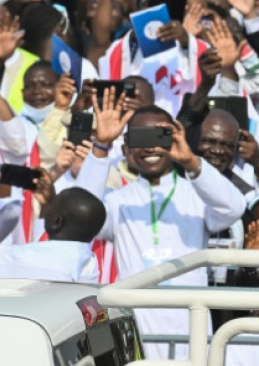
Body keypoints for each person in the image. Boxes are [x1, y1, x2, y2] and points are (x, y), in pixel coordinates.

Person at [77, 102, 247, 359]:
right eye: (140, 138)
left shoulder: (197, 194)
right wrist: (100, 147)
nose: (150, 147)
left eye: (159, 137)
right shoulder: (118, 200)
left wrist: (191, 161)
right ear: (126, 148)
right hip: (135, 327)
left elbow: (234, 208)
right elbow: (82, 217)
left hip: (190, 327)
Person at [0, 174, 105, 283]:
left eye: (53, 204)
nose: (49, 206)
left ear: (57, 221)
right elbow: (46, 249)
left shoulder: (30, 260)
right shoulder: (87, 263)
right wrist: (47, 207)